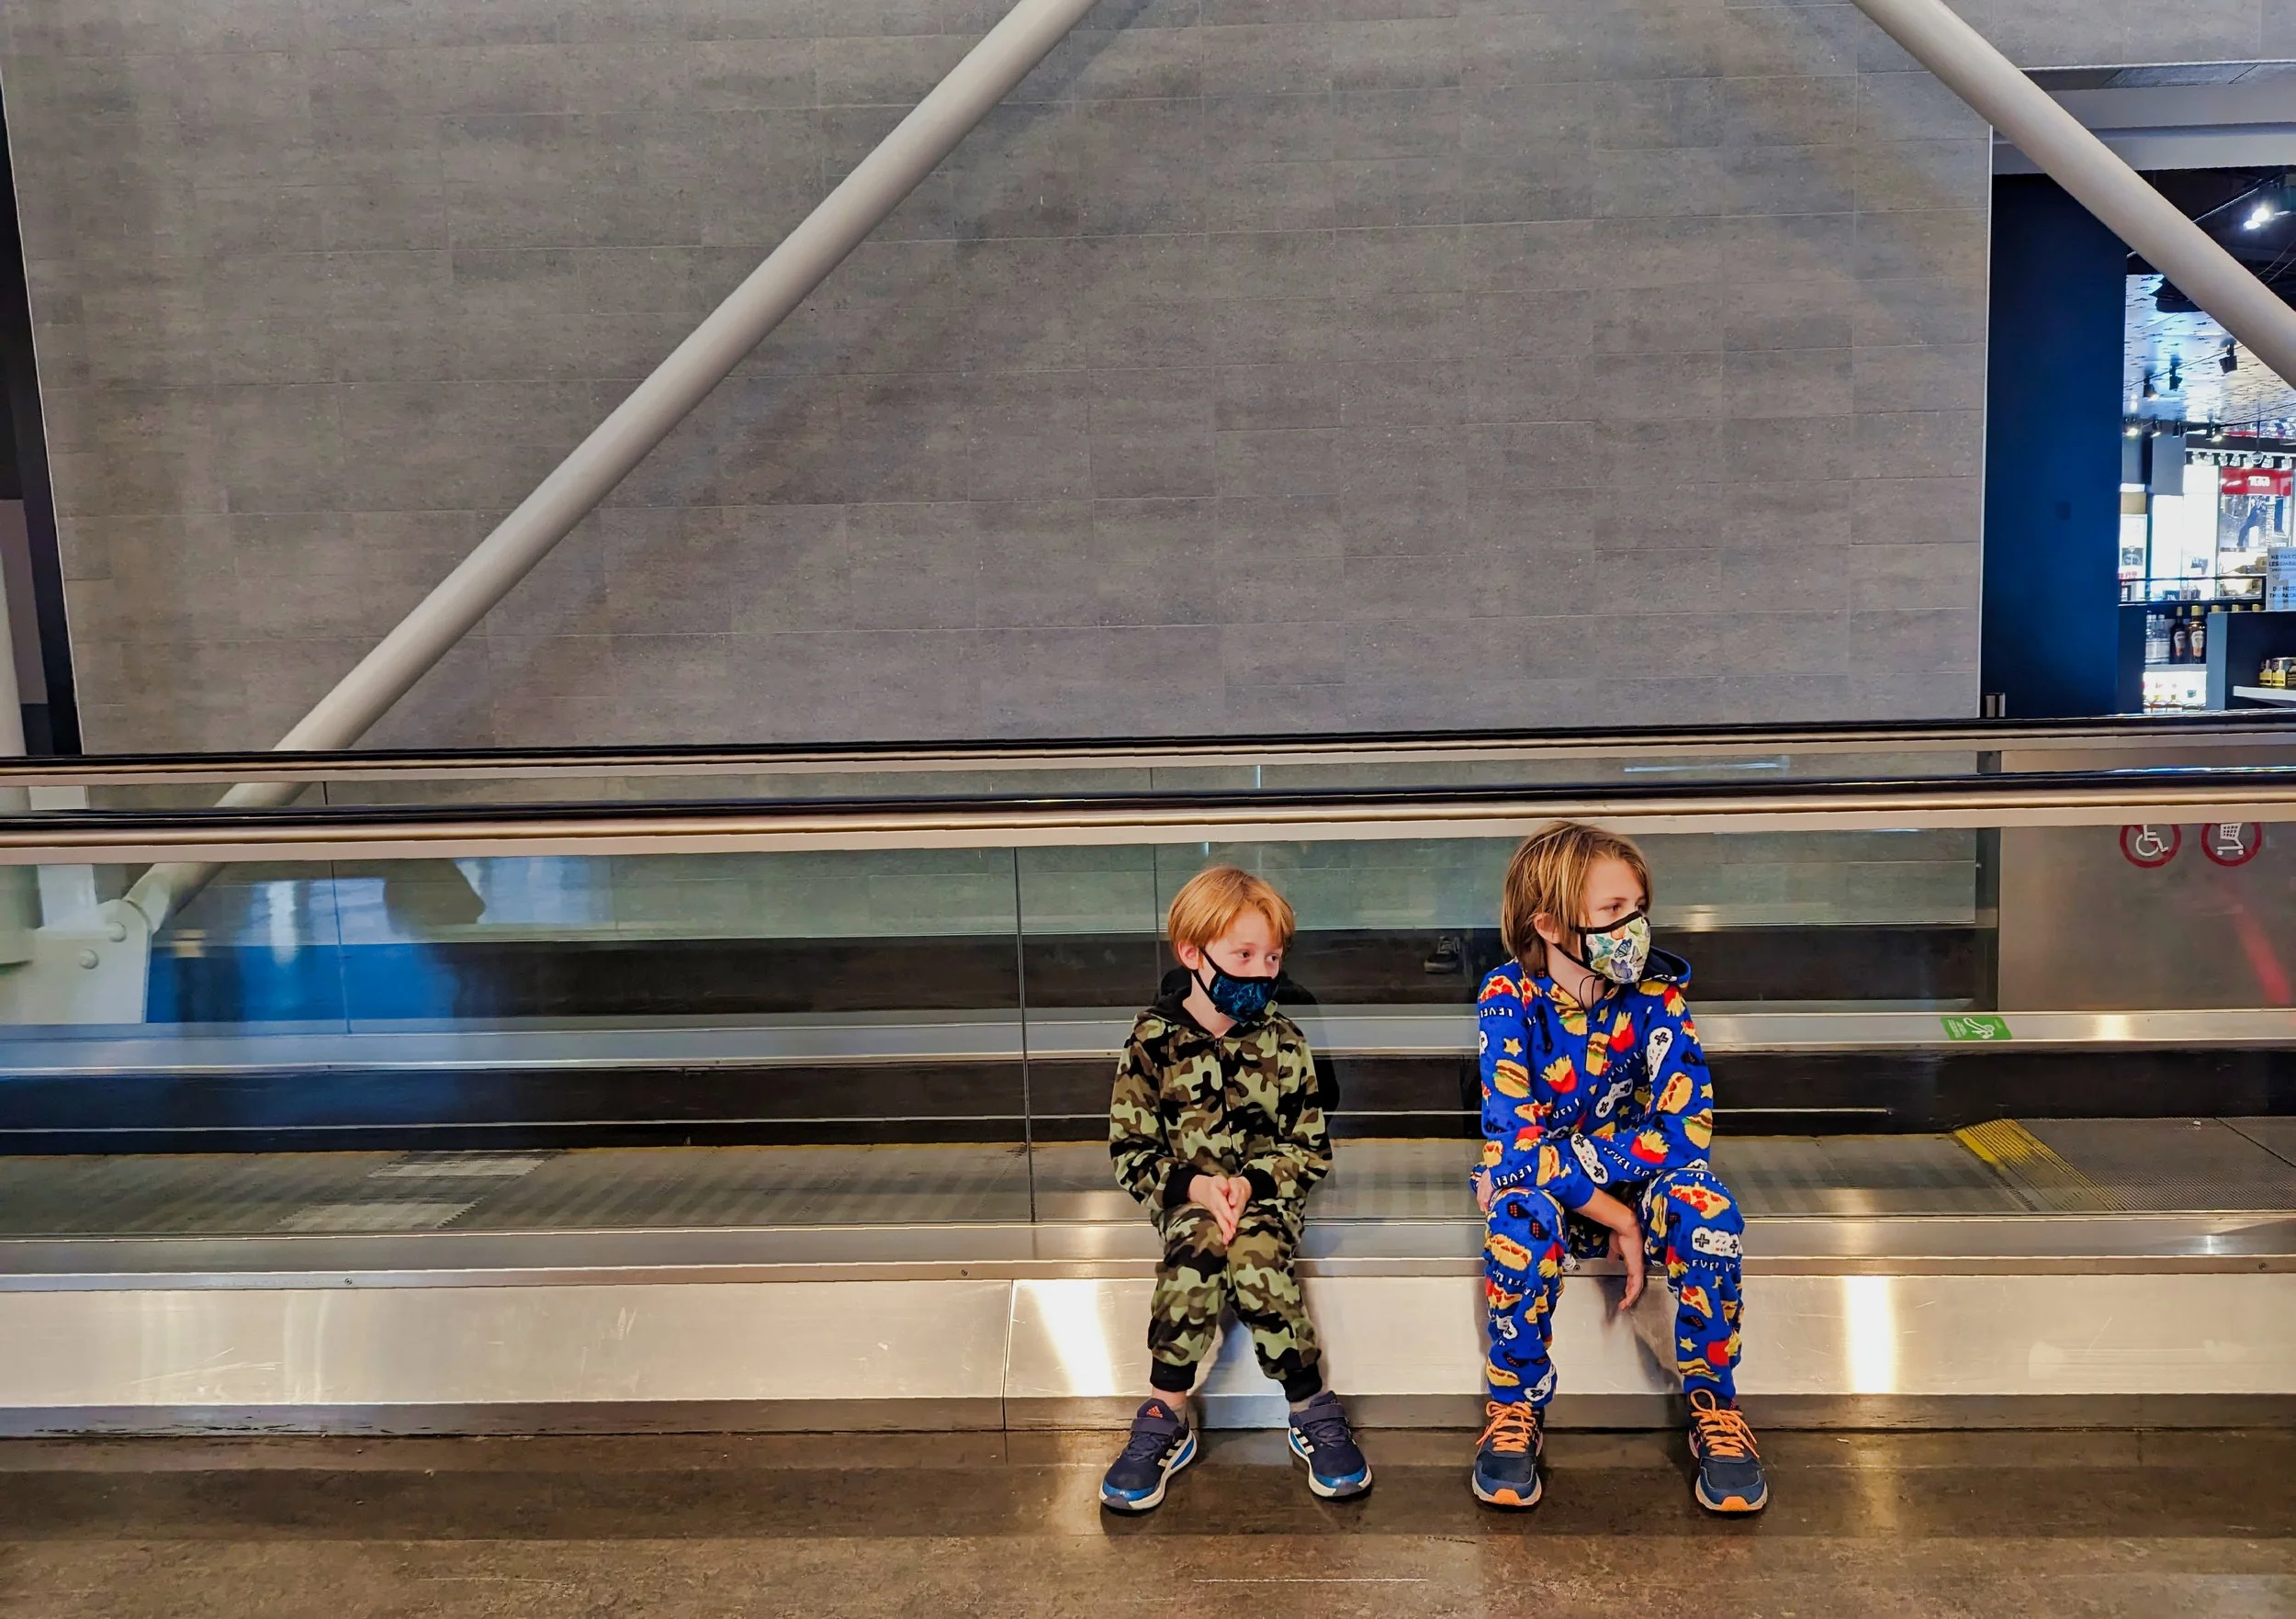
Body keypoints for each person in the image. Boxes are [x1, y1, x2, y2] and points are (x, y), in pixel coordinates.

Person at [1469, 821, 1767, 1515]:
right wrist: (1612, 1212)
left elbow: (1686, 1137)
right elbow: (1512, 1139)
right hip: (1571, 1200)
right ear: (1549, 924)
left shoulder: (1660, 998)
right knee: (1518, 1216)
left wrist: (1561, 1164)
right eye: (1611, 910)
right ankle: (1514, 1405)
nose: (1633, 925)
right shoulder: (1506, 996)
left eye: (1638, 906)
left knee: (1708, 1211)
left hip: (1637, 1188)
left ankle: (1715, 1408)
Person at [1099, 865, 1372, 1512]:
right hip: (1186, 1199)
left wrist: (1251, 1184)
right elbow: (1131, 1151)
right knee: (1196, 1250)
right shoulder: (1151, 1041)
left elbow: (1309, 1147)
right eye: (1243, 955)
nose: (1261, 972)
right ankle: (1165, 1410)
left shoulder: (1284, 1041)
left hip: (1267, 1197)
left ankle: (1310, 1404)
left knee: (1256, 1256)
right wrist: (1195, 1187)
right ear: (1193, 954)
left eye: (1271, 958)